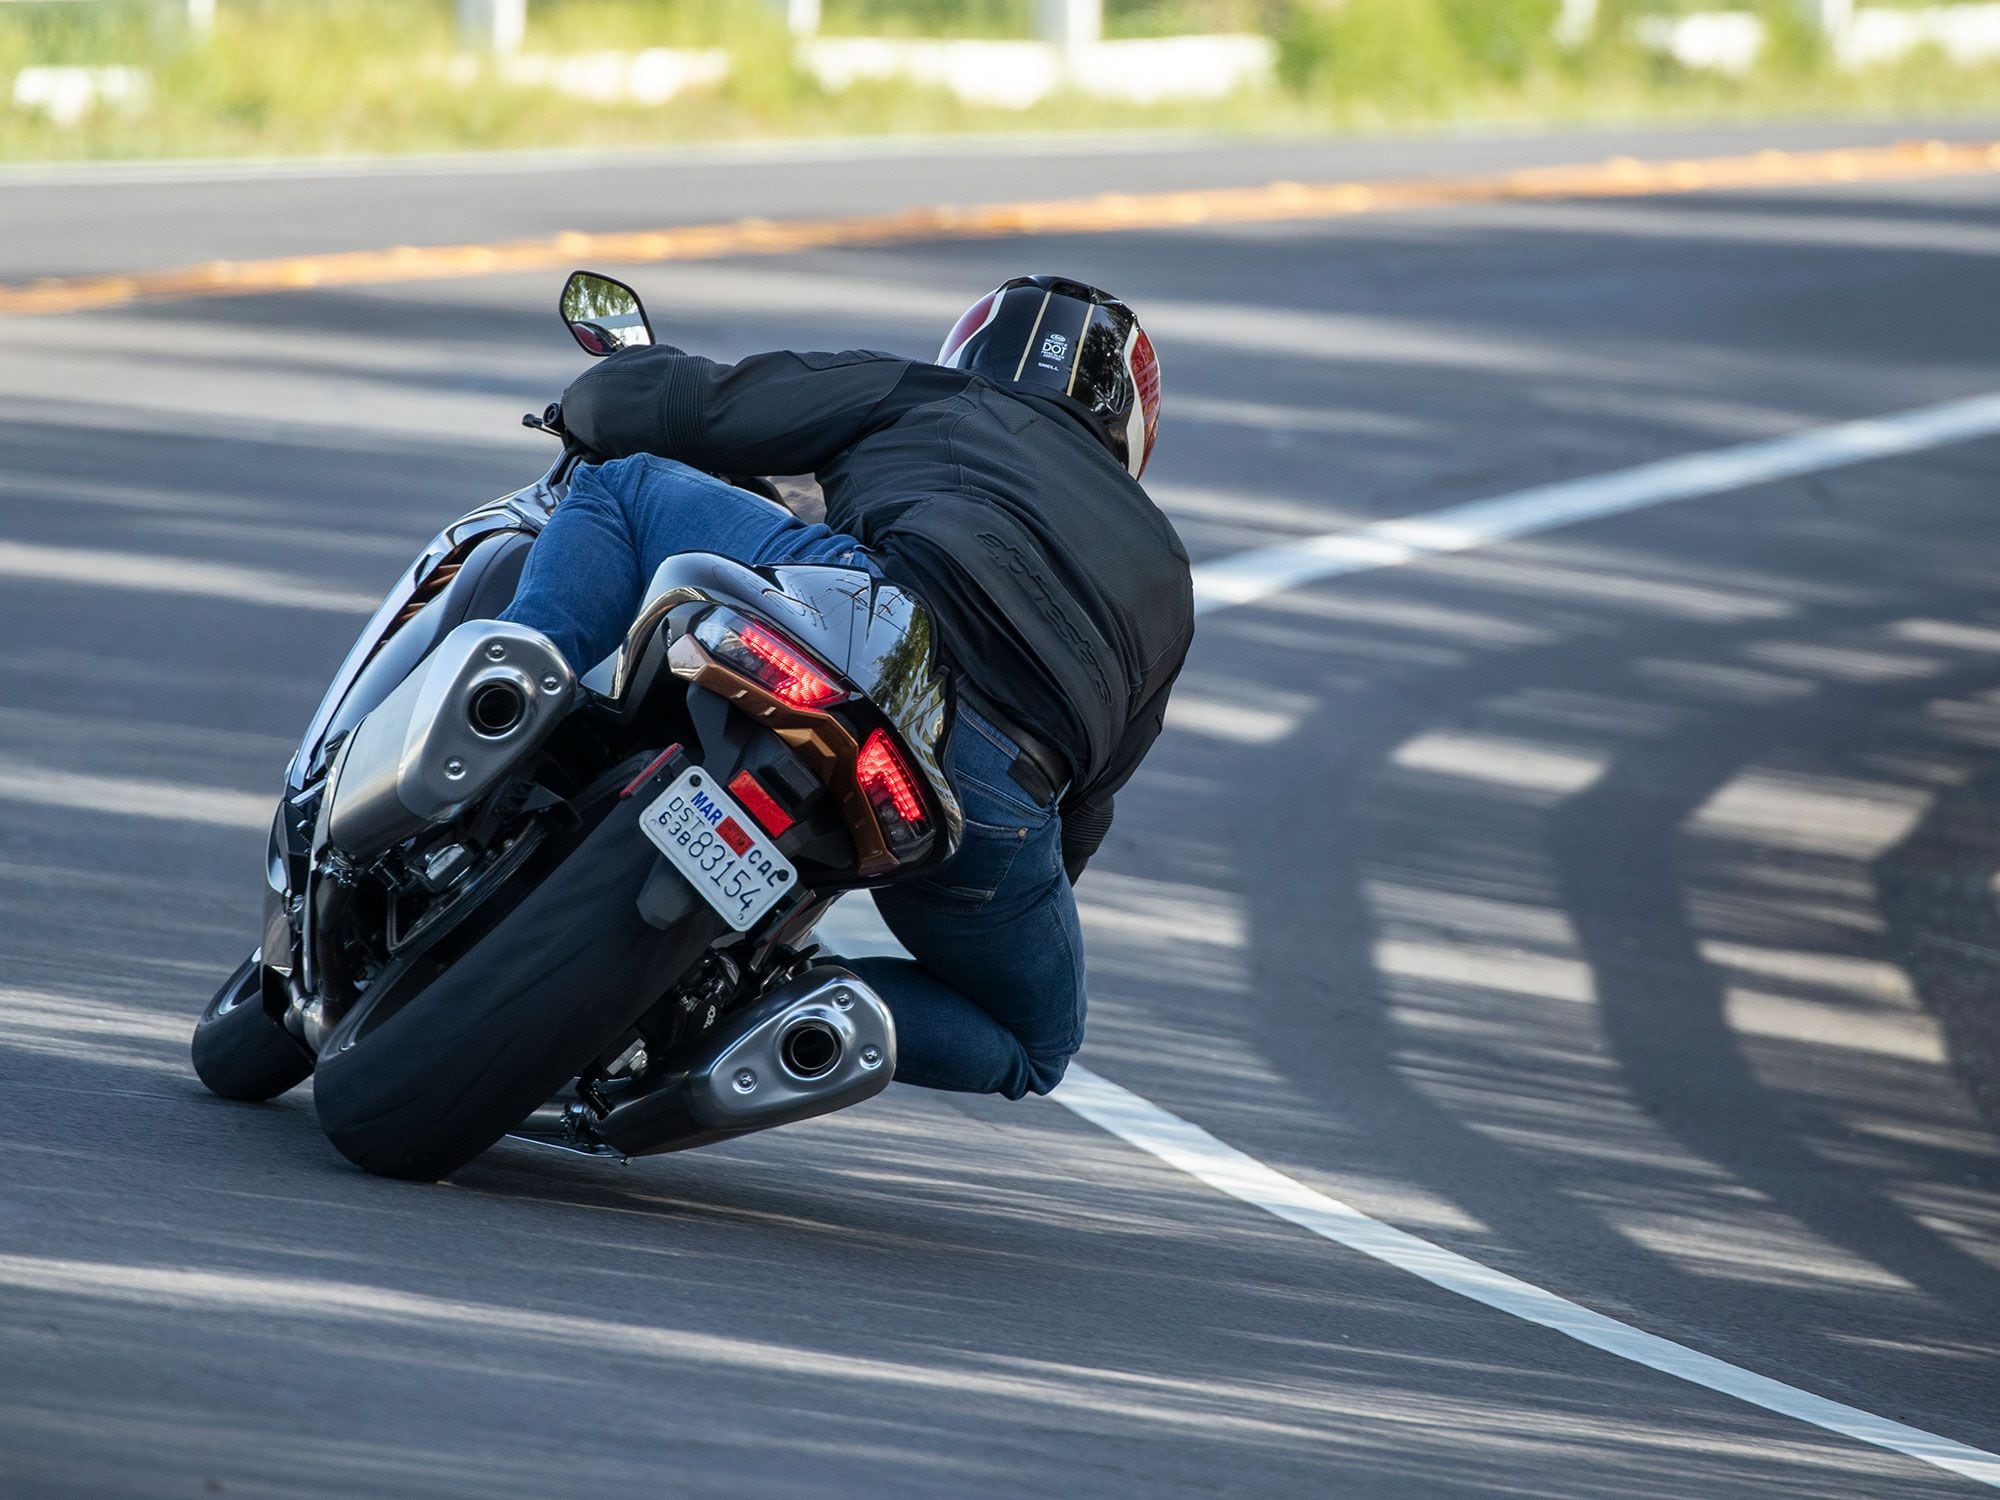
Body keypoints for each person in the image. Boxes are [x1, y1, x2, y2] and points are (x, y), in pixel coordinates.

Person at [499, 274, 1193, 1100]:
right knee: (1036, 1044)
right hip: (997, 789)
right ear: (1130, 427)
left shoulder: (941, 395)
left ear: (972, 351)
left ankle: (511, 705)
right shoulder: (1168, 574)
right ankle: (742, 1005)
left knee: (623, 486)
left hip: (881, 625)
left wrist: (596, 398)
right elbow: (1089, 805)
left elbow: (695, 406)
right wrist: (983, 888)